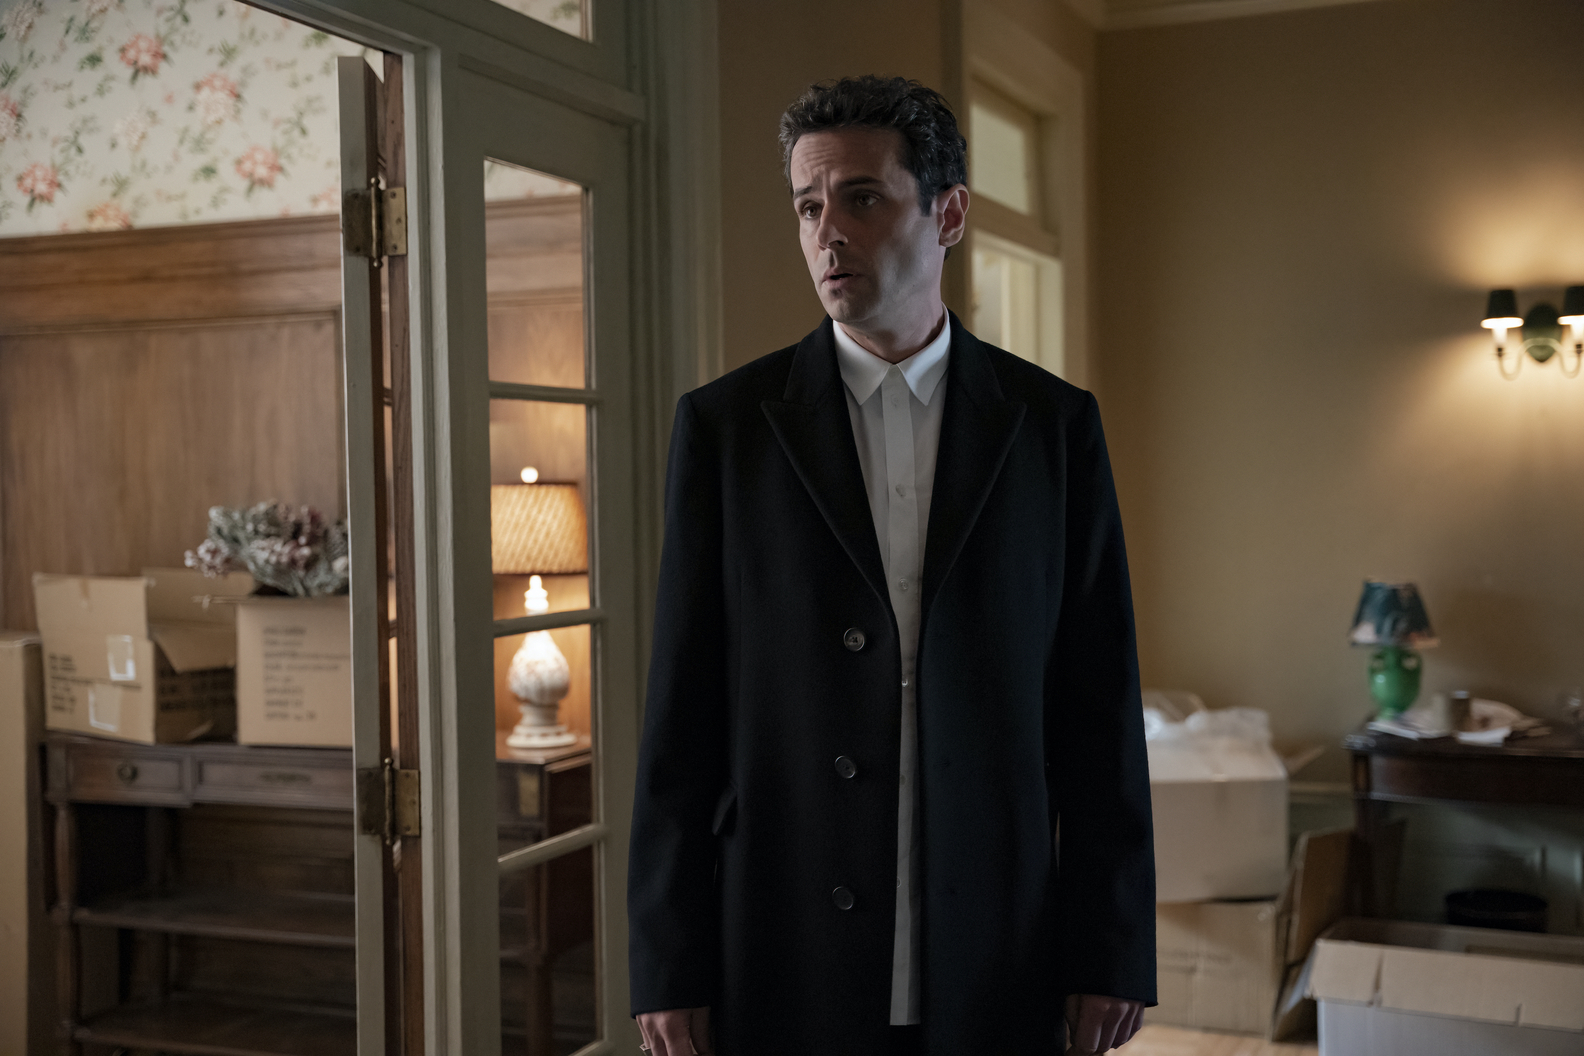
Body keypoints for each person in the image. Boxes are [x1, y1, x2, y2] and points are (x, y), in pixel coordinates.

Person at [628, 75, 1155, 1056]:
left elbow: (1099, 707)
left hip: (997, 944)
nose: (827, 233)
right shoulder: (727, 431)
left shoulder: (1053, 429)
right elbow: (681, 716)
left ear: (947, 214)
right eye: (807, 206)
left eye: (861, 198)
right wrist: (668, 960)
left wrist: (1112, 945)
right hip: (782, 941)